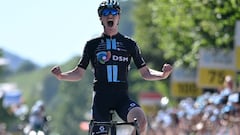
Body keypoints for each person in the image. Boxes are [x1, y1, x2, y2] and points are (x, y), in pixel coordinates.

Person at [51, 0, 173, 134]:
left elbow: (145, 72)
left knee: (141, 120)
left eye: (114, 12)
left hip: (122, 97)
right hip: (101, 98)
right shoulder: (92, 44)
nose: (110, 15)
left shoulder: (129, 44)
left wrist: (162, 75)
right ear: (101, 18)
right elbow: (79, 73)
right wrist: (61, 76)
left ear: (119, 17)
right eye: (106, 13)